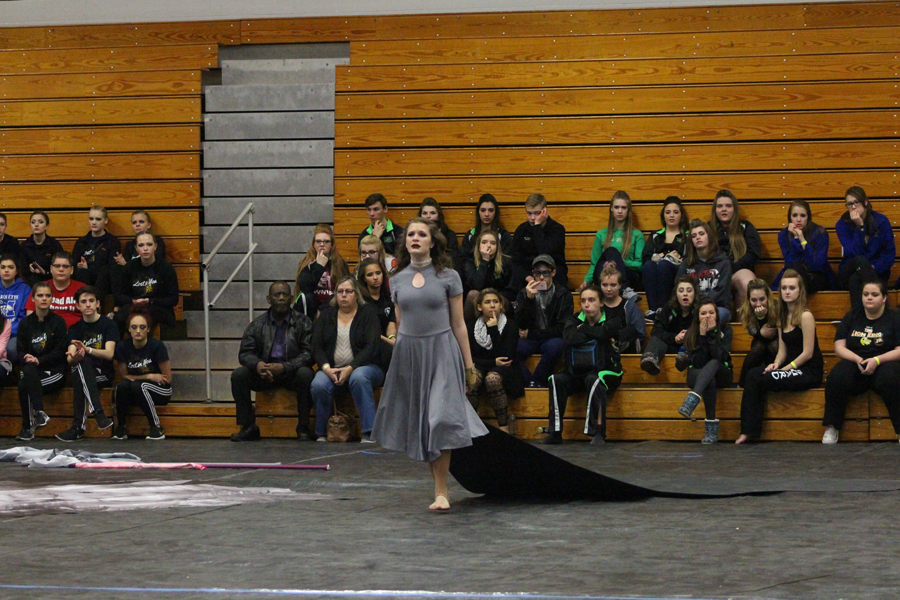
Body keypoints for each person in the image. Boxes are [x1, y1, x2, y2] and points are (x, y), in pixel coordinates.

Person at [372, 217, 488, 512]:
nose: (415, 238)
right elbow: (399, 320)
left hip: (442, 351)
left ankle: (442, 490)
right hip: (410, 355)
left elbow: (459, 324)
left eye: (421, 234)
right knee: (425, 423)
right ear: (405, 241)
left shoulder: (449, 276)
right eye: (410, 234)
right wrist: (395, 338)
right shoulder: (396, 278)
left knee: (440, 419)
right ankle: (439, 491)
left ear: (432, 241)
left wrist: (469, 366)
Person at [736, 270, 823, 444]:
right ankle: (748, 431)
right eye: (784, 288)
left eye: (792, 288)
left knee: (760, 378)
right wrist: (775, 364)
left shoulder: (806, 316)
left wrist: (784, 369)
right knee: (753, 374)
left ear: (800, 291)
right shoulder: (782, 316)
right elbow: (782, 350)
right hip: (788, 368)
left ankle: (750, 430)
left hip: (807, 371)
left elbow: (807, 354)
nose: (787, 291)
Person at [230, 281, 315, 442]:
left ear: (291, 298)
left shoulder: (304, 322)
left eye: (285, 294)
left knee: (306, 374)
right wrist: (258, 365)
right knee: (239, 375)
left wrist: (285, 367)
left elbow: (309, 353)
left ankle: (303, 426)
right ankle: (248, 426)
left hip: (291, 373)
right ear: (269, 299)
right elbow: (245, 353)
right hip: (265, 374)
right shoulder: (257, 324)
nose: (281, 298)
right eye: (277, 295)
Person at [542, 284, 624, 446]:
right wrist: (595, 333)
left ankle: (598, 431)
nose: (587, 304)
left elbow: (606, 332)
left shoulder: (613, 319)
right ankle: (555, 432)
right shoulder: (573, 319)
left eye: (592, 300)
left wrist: (584, 329)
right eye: (583, 301)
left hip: (607, 371)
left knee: (595, 379)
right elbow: (569, 338)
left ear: (601, 303)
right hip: (577, 372)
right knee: (555, 379)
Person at [822, 279, 900, 444]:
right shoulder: (852, 316)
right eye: (866, 294)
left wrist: (877, 360)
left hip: (884, 362)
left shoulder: (894, 318)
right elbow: (839, 347)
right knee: (837, 376)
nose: (869, 298)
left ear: (884, 298)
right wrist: (857, 359)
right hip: (856, 362)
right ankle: (832, 426)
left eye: (874, 294)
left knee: (892, 377)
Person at [310, 276, 384, 443]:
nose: (343, 295)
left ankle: (369, 431)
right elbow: (317, 346)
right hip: (333, 368)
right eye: (340, 291)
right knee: (319, 383)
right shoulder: (327, 315)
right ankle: (321, 432)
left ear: (356, 294)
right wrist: (326, 368)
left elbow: (371, 347)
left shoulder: (368, 313)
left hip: (366, 367)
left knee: (359, 377)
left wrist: (351, 367)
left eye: (348, 291)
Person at [55, 286, 117, 442]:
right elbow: (70, 359)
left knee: (81, 368)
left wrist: (87, 350)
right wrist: (75, 356)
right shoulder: (75, 329)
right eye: (83, 302)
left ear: (98, 304)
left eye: (91, 301)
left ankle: (78, 427)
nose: (88, 304)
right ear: (77, 306)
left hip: (103, 374)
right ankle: (98, 413)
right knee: (80, 366)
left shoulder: (108, 325)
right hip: (84, 372)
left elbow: (109, 354)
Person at [14, 282, 68, 442]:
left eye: (47, 295)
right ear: (33, 299)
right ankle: (40, 413)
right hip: (34, 371)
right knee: (27, 373)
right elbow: (20, 351)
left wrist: (39, 360)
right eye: (40, 295)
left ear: (52, 299)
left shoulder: (58, 322)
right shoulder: (25, 323)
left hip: (54, 372)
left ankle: (27, 428)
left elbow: (60, 352)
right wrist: (29, 358)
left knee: (25, 384)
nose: (44, 299)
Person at [677, 296, 733, 444]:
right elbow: (699, 362)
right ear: (697, 317)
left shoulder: (726, 331)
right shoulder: (692, 333)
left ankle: (694, 397)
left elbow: (720, 357)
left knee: (714, 363)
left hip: (722, 372)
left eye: (711, 312)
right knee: (709, 379)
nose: (707, 316)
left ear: (717, 315)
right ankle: (711, 430)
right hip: (698, 374)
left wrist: (712, 333)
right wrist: (702, 336)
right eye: (703, 313)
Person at [466, 288, 524, 433]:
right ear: (480, 307)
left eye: (495, 302)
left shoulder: (510, 325)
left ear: (501, 306)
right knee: (472, 378)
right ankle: (472, 425)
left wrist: (493, 330)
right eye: (487, 302)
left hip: (507, 369)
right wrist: (492, 362)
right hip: (483, 365)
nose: (492, 305)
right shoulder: (471, 327)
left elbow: (505, 356)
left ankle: (503, 427)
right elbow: (470, 357)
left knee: (492, 379)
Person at [111, 308, 172, 441]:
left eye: (142, 327)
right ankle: (120, 427)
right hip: (137, 388)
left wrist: (145, 380)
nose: (138, 331)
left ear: (148, 329)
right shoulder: (122, 347)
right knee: (121, 386)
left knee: (139, 386)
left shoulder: (157, 346)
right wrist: (149, 376)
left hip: (161, 390)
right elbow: (125, 376)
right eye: (134, 327)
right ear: (129, 329)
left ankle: (156, 427)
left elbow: (167, 379)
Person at [514, 254, 573, 388]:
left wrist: (532, 334)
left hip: (550, 337)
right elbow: (520, 324)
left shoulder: (563, 294)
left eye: (545, 273)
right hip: (529, 339)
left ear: (553, 272)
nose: (541, 277)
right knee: (511, 349)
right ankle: (530, 381)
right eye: (538, 273)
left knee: (557, 346)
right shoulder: (524, 293)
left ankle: (538, 381)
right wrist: (529, 299)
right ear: (533, 273)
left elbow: (561, 328)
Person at [835, 186, 895, 311]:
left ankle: (860, 322)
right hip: (850, 269)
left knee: (855, 281)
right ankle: (886, 311)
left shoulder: (881, 221)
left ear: (866, 202)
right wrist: (860, 228)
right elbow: (854, 253)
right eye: (850, 204)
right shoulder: (842, 224)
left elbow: (889, 255)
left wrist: (871, 268)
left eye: (856, 202)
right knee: (861, 261)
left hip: (877, 272)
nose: (853, 207)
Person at [582, 191, 645, 303]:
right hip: (604, 276)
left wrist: (619, 262)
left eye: (623, 208)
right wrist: (587, 280)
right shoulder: (601, 234)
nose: (620, 211)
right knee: (609, 253)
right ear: (611, 209)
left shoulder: (637, 235)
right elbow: (595, 263)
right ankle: (624, 289)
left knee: (612, 252)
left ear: (628, 210)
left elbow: (640, 265)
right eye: (616, 207)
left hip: (628, 276)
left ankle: (624, 287)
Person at [113, 232, 179, 332]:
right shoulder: (129, 267)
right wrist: (133, 301)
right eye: (141, 245)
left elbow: (173, 299)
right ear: (136, 248)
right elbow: (119, 295)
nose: (145, 248)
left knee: (144, 318)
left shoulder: (166, 268)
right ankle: (119, 346)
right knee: (119, 317)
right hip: (134, 306)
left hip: (158, 308)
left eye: (149, 244)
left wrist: (150, 301)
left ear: (155, 246)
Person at [677, 219, 733, 323]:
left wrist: (702, 305)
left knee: (708, 317)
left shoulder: (723, 262)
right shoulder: (686, 264)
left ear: (709, 237)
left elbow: (722, 291)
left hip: (717, 308)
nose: (697, 237)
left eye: (701, 234)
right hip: (692, 308)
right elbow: (679, 288)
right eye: (694, 236)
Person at [772, 200, 835, 293]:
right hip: (794, 274)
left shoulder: (820, 233)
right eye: (795, 215)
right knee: (793, 274)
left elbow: (816, 265)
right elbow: (791, 263)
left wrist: (802, 240)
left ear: (808, 217)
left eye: (802, 215)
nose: (798, 219)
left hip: (816, 276)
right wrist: (796, 239)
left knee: (796, 282)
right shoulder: (784, 235)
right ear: (790, 218)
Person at [711, 190, 761, 307]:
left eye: (728, 206)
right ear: (715, 210)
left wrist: (731, 267)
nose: (724, 209)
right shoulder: (708, 229)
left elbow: (753, 254)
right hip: (715, 273)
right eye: (720, 206)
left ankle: (743, 323)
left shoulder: (746, 227)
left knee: (746, 282)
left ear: (734, 209)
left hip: (738, 270)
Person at [642, 196, 689, 318]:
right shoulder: (656, 235)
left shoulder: (687, 235)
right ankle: (653, 309)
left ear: (681, 215)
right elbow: (646, 257)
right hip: (656, 271)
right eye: (668, 212)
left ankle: (664, 309)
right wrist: (665, 256)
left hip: (677, 272)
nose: (671, 215)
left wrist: (661, 257)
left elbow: (687, 257)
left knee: (664, 265)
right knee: (648, 265)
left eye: (675, 212)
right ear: (663, 215)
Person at [640, 276, 698, 376]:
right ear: (676, 294)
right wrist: (674, 338)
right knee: (657, 338)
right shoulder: (669, 308)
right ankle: (650, 359)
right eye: (681, 290)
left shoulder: (700, 310)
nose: (685, 294)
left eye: (689, 291)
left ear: (695, 294)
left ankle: (686, 358)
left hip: (692, 347)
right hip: (672, 346)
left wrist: (689, 335)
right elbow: (656, 330)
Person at [510, 193, 567, 289]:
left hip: (552, 277)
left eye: (537, 213)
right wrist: (528, 278)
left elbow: (545, 252)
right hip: (528, 278)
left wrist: (537, 227)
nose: (532, 218)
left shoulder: (557, 229)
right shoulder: (521, 230)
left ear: (544, 211)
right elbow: (515, 261)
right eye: (529, 213)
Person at [294, 224, 349, 319]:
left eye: (326, 241)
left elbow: (345, 289)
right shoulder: (306, 262)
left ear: (332, 245)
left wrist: (322, 310)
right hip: (310, 308)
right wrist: (319, 266)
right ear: (313, 244)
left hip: (331, 307)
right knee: (307, 297)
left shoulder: (340, 264)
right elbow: (305, 288)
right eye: (318, 241)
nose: (322, 245)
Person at [25, 251, 85, 329]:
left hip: (75, 334)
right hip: (46, 334)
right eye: (57, 266)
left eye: (65, 266)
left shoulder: (82, 289)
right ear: (51, 268)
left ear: (72, 270)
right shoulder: (40, 288)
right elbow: (30, 316)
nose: (61, 269)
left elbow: (90, 315)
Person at [737, 279, 780, 387]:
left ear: (768, 297)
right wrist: (760, 319)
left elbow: (775, 333)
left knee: (771, 345)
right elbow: (754, 332)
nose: (758, 304)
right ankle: (742, 384)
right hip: (759, 345)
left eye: (762, 299)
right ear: (749, 299)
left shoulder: (777, 306)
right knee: (759, 345)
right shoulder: (746, 310)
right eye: (754, 300)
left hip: (779, 344)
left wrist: (763, 321)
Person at [461, 229, 514, 314]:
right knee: (472, 294)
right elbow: (475, 286)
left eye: (492, 243)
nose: (488, 246)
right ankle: (468, 327)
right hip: (479, 299)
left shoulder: (506, 261)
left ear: (497, 246)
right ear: (478, 246)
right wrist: (485, 261)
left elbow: (512, 290)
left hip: (499, 299)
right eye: (484, 242)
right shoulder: (470, 262)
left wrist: (493, 296)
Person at [72, 205, 122, 295]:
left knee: (104, 271)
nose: (94, 222)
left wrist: (89, 269)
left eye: (98, 219)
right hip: (85, 278)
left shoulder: (112, 241)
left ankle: (97, 305)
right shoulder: (81, 242)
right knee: (82, 272)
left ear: (105, 220)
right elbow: (73, 263)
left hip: (103, 280)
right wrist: (81, 267)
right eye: (91, 219)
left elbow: (112, 267)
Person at [356, 258, 397, 369]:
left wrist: (392, 338)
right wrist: (388, 342)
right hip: (368, 345)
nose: (375, 277)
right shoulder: (360, 302)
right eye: (370, 275)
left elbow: (391, 322)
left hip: (386, 343)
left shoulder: (387, 298)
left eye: (378, 273)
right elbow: (368, 331)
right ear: (364, 278)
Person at [595, 265, 645, 354]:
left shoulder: (629, 305)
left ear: (620, 285)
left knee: (631, 330)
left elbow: (640, 333)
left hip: (625, 350)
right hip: (600, 350)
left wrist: (619, 338)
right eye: (604, 285)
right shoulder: (596, 306)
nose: (608, 289)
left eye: (613, 285)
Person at [456, 193, 513, 268]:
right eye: (483, 210)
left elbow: (508, 262)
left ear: (495, 212)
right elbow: (463, 261)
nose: (486, 214)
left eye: (491, 210)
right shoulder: (470, 235)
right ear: (478, 212)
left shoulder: (504, 236)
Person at [0, 254, 31, 363]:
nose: (6, 270)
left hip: (14, 333)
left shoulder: (25, 289)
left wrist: (6, 331)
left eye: (10, 267)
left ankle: (9, 375)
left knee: (11, 349)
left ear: (17, 271)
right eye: (3, 267)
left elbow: (24, 318)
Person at [21, 210, 63, 286]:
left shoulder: (54, 245)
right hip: (31, 281)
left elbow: (59, 267)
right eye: (33, 222)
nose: (36, 225)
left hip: (50, 280)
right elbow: (22, 269)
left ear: (47, 226)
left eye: (40, 222)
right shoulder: (25, 245)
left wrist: (44, 272)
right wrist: (29, 270)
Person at [357, 193, 402, 258]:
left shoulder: (398, 232)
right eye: (369, 210)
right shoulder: (364, 235)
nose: (371, 214)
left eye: (376, 209)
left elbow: (402, 258)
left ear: (385, 209)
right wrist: (375, 238)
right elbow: (366, 261)